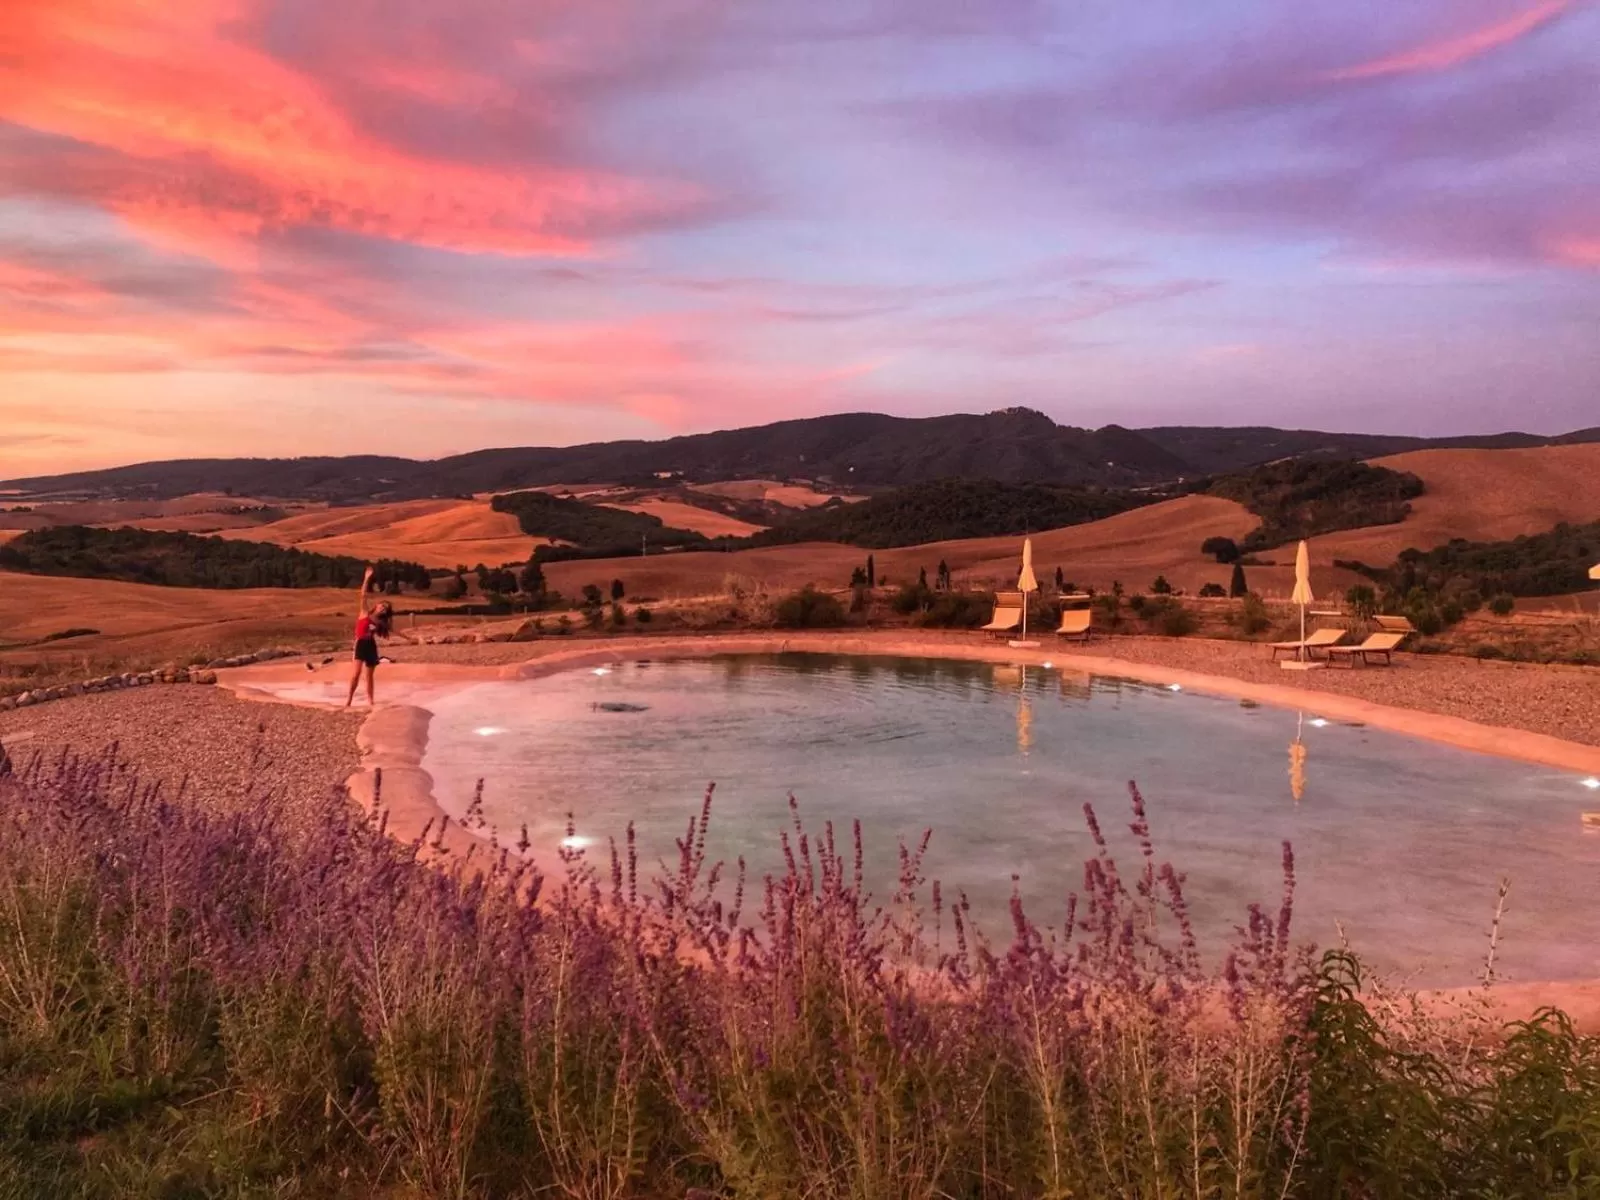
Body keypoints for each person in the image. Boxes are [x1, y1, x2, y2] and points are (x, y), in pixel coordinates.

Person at [345, 566, 416, 708]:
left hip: (371, 646)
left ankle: (370, 701)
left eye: (385, 608)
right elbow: (363, 595)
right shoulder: (364, 613)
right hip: (360, 644)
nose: (383, 608)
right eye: (382, 605)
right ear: (377, 605)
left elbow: (395, 630)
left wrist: (409, 639)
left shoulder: (381, 622)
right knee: (356, 674)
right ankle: (349, 700)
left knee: (369, 676)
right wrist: (366, 578)